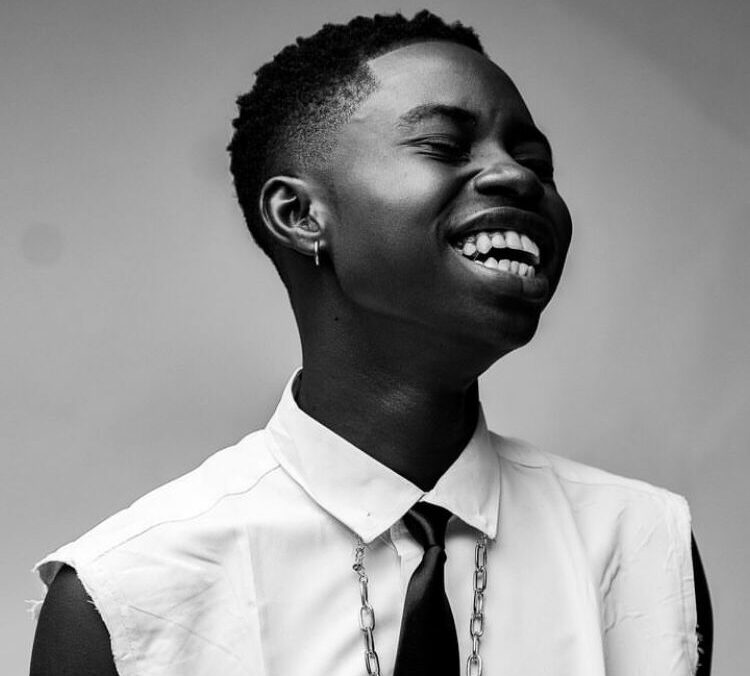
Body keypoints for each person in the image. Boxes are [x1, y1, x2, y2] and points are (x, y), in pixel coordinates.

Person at [29, 10, 712, 676]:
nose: (519, 177)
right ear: (300, 214)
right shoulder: (128, 600)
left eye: (536, 161)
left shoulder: (643, 548)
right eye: (444, 146)